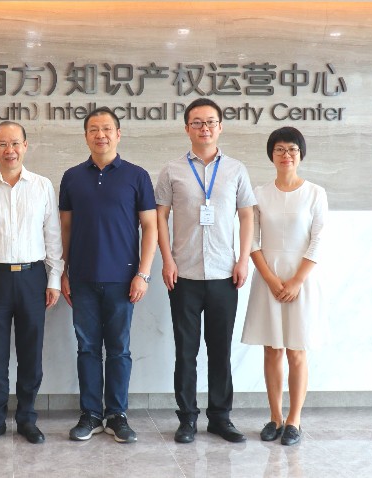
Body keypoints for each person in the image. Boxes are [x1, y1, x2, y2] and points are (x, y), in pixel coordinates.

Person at [156, 98, 256, 444]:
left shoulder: (236, 170)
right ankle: (187, 419)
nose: (204, 128)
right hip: (183, 275)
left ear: (220, 127)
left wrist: (243, 259)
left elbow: (247, 216)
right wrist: (167, 259)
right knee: (185, 352)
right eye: (197, 122)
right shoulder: (172, 170)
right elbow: (160, 217)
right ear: (187, 128)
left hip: (224, 275)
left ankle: (220, 418)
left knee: (220, 351)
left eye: (210, 122)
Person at [59, 107, 157, 444]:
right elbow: (66, 228)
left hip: (123, 280)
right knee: (87, 348)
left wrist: (143, 274)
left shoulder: (137, 176)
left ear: (118, 134)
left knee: (118, 349)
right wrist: (63, 272)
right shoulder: (72, 177)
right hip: (82, 278)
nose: (100, 135)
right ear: (86, 135)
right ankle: (90, 414)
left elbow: (150, 227)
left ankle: (117, 415)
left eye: (106, 129)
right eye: (93, 129)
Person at [0, 121, 63, 445]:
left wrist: (53, 278)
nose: (10, 150)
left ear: (25, 145)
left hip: (33, 278)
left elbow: (52, 236)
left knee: (30, 354)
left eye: (15, 143)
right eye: (3, 144)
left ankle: (27, 419)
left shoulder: (42, 186)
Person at [241, 126, 327, 447]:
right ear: (271, 155)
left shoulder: (315, 193)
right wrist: (271, 279)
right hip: (268, 278)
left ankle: (294, 420)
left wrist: (296, 280)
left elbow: (318, 239)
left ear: (300, 154)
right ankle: (275, 417)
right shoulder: (259, 193)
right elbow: (252, 240)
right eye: (279, 149)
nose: (286, 154)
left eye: (292, 149)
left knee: (296, 350)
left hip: (301, 278)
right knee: (272, 349)